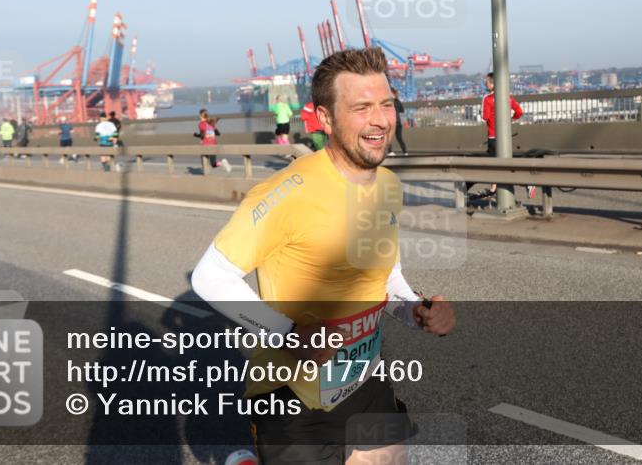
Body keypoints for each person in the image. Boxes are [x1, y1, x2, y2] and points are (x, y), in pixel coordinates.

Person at [192, 47, 455, 465]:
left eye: (386, 104)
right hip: (293, 399)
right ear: (325, 118)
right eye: (362, 107)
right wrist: (286, 333)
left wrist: (417, 311)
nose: (381, 120)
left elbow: (385, 276)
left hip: (366, 384)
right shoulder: (286, 193)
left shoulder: (388, 185)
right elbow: (210, 277)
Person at [196, 109, 231, 173]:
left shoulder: (201, 124)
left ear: (200, 116)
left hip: (206, 145)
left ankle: (205, 173)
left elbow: (202, 135)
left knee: (203, 161)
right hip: (213, 145)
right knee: (213, 164)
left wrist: (197, 136)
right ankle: (223, 163)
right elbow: (218, 133)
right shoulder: (211, 123)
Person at [389, 87, 407, 156]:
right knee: (399, 138)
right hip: (398, 122)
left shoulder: (390, 101)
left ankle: (390, 152)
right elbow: (402, 110)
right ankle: (405, 152)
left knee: (389, 138)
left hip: (392, 122)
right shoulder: (398, 101)